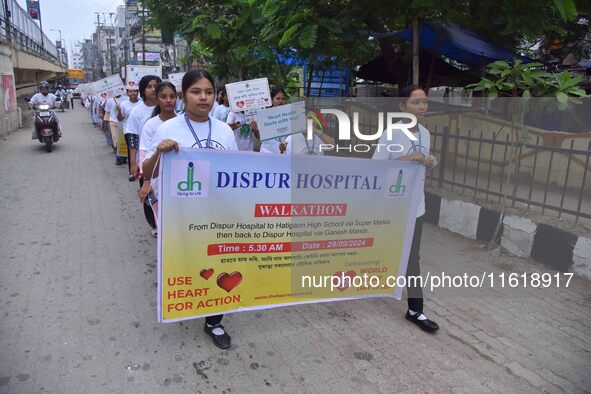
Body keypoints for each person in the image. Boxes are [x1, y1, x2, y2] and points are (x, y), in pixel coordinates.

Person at [142, 69, 238, 349]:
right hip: (181, 214)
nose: (203, 97)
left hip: (217, 212)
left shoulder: (222, 130)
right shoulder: (167, 129)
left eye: (208, 92)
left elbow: (236, 171)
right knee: (189, 264)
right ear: (184, 96)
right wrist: (159, 151)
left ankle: (214, 322)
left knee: (220, 265)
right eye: (196, 92)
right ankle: (186, 302)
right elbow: (150, 172)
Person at [372, 85, 439, 333]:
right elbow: (377, 167)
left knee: (413, 257)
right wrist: (407, 160)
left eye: (424, 102)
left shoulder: (425, 133)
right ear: (403, 107)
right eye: (416, 102)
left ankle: (415, 310)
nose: (422, 107)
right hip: (393, 207)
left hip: (416, 205)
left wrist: (431, 160)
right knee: (385, 248)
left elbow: (424, 159)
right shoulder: (392, 133)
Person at [137, 81, 177, 237]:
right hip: (158, 181)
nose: (168, 100)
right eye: (164, 97)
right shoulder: (151, 125)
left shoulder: (183, 122)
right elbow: (144, 155)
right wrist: (146, 183)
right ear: (157, 99)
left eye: (172, 96)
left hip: (180, 180)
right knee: (163, 223)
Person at [125, 75, 161, 182]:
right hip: (145, 160)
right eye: (149, 87)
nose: (153, 89)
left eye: (156, 86)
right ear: (143, 90)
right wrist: (133, 163)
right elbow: (133, 139)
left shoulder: (167, 108)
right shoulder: (136, 111)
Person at [258, 87, 288, 154]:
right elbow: (259, 136)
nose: (281, 101)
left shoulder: (289, 115)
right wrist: (255, 129)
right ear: (271, 100)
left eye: (283, 99)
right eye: (278, 98)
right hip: (266, 154)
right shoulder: (265, 115)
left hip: (283, 155)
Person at [120, 89, 141, 170]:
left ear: (137, 92)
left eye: (135, 91)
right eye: (130, 91)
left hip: (140, 130)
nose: (132, 93)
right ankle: (132, 171)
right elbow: (120, 118)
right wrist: (119, 111)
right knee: (131, 150)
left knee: (140, 150)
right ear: (127, 93)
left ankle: (140, 169)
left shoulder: (141, 103)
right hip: (128, 131)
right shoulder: (123, 104)